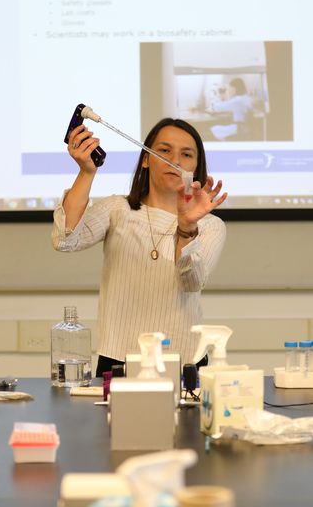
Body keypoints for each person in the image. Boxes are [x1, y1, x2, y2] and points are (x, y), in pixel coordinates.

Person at [54, 118, 227, 374]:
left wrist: (187, 227)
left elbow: (190, 283)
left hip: (184, 361)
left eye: (187, 154)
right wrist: (87, 172)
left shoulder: (210, 225)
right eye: (164, 151)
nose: (175, 160)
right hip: (118, 357)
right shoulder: (118, 209)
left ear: (196, 167)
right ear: (145, 159)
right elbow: (65, 240)